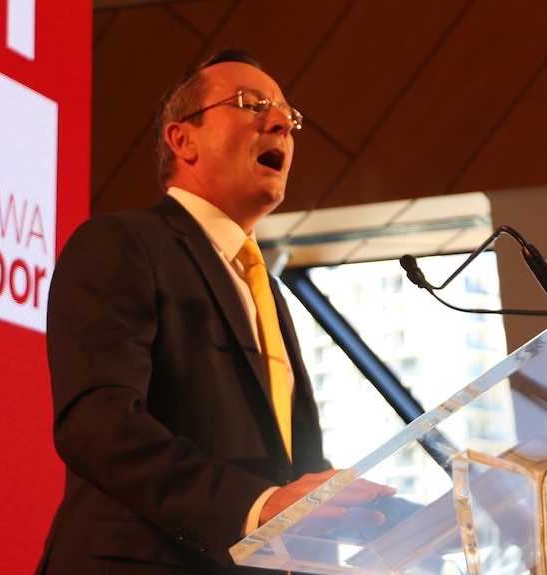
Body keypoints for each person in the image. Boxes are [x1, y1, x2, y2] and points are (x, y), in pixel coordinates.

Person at [35, 48, 391, 575]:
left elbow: (282, 467)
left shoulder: (265, 289)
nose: (281, 124)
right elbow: (97, 423)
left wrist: (352, 511)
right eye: (253, 104)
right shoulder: (121, 243)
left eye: (290, 118)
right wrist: (255, 508)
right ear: (183, 139)